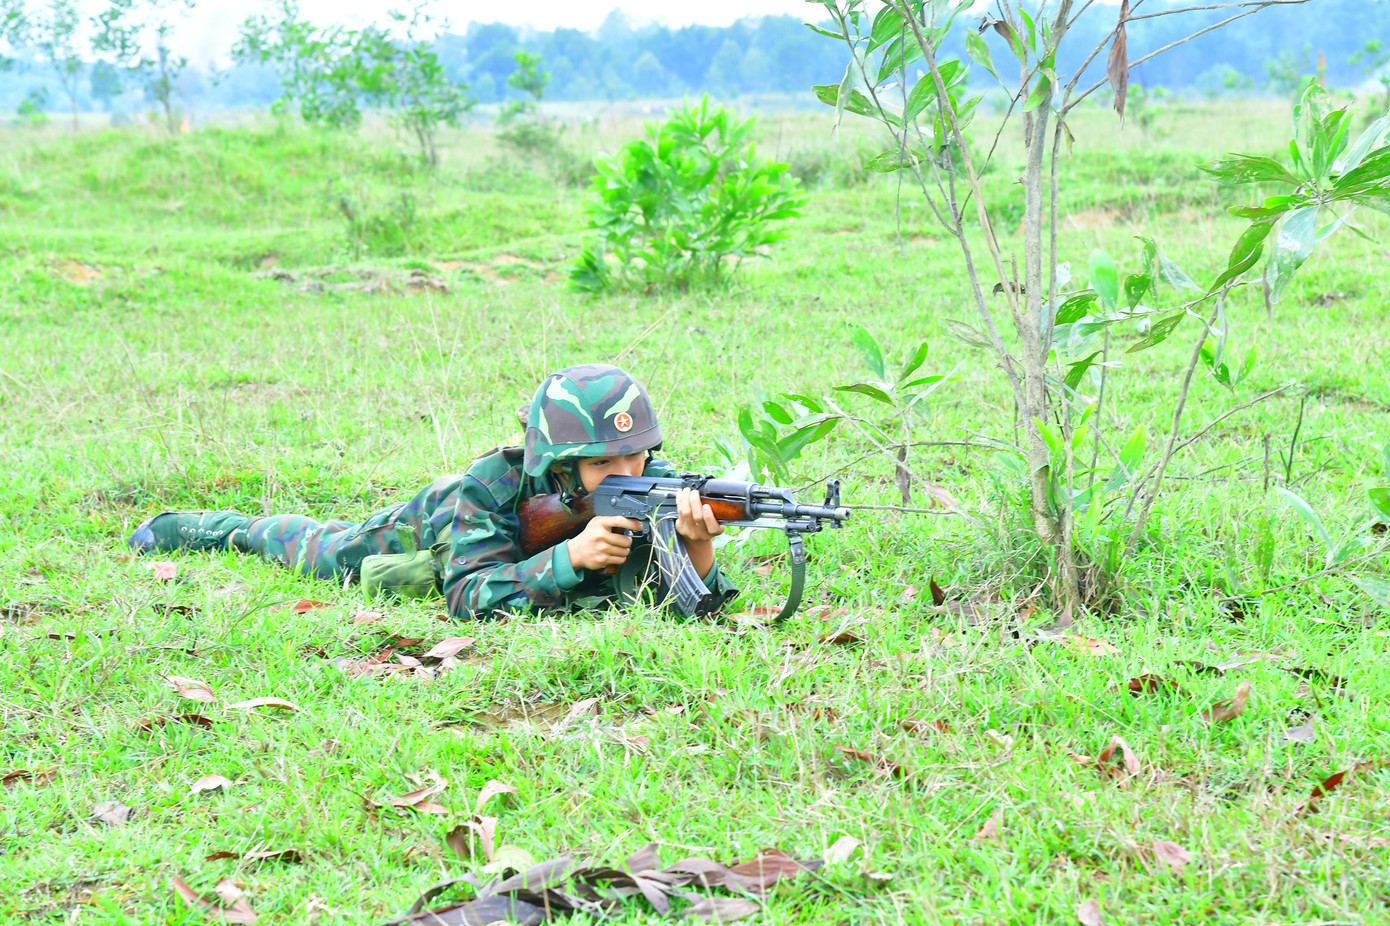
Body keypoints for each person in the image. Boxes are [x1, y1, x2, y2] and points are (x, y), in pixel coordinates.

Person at [127, 364, 738, 619]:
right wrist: (570, 559)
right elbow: (467, 597)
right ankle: (205, 527)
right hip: (439, 524)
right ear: (559, 460)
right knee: (328, 551)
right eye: (606, 461)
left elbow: (674, 605)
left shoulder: (652, 487)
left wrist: (696, 549)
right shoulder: (492, 484)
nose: (630, 469)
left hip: (519, 538)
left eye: (637, 453)